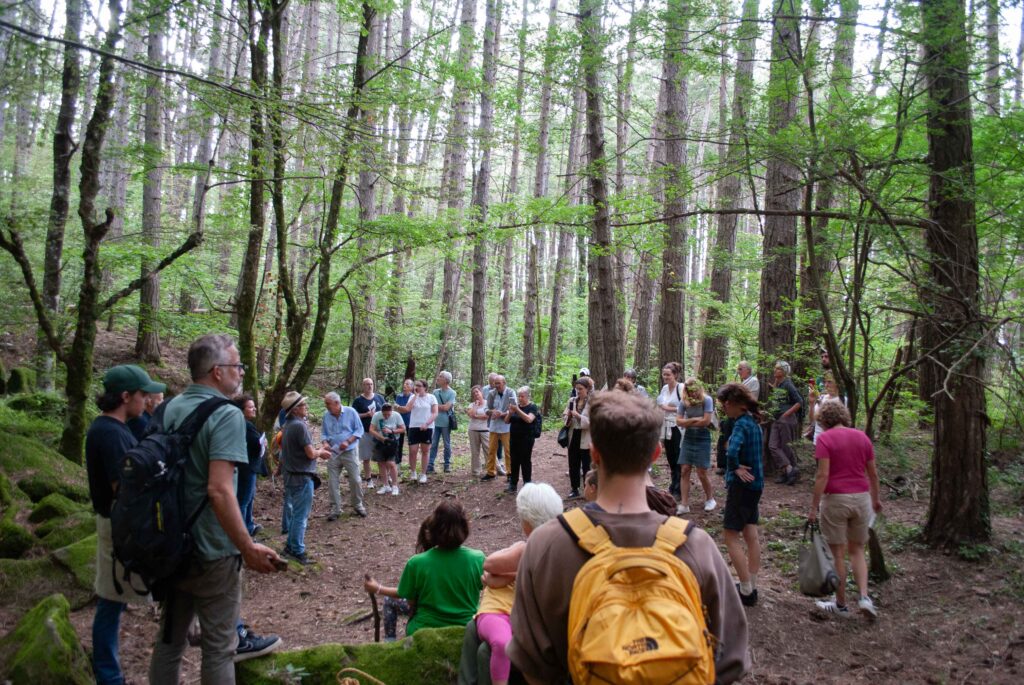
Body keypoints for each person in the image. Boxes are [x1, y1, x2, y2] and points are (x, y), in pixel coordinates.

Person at [507, 391, 750, 684]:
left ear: (594, 452)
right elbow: (730, 662)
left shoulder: (547, 545)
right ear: (655, 453)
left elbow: (531, 666)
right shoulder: (697, 547)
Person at [149, 334, 282, 685]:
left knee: (169, 643)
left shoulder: (168, 408)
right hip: (212, 549)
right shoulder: (226, 415)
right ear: (216, 372)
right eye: (237, 366)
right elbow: (220, 490)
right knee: (220, 647)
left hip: (169, 544)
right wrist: (246, 546)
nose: (241, 372)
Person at [87, 365, 164, 685]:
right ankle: (109, 676)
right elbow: (125, 488)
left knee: (113, 600)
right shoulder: (110, 433)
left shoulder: (116, 429)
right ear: (125, 396)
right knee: (110, 599)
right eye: (143, 394)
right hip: (117, 526)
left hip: (118, 524)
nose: (147, 400)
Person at [473, 483, 564, 685]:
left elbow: (489, 567)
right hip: (547, 629)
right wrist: (516, 574)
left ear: (527, 521)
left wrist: (510, 575)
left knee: (484, 649)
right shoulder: (560, 538)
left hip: (545, 635)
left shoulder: (531, 546)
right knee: (480, 632)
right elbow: (491, 577)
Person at [364, 501, 485, 638]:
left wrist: (377, 588)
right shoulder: (478, 559)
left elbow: (408, 598)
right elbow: (489, 588)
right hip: (466, 629)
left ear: (433, 527)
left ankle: (390, 643)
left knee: (389, 601)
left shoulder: (417, 563)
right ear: (465, 528)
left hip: (424, 631)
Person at [808, 402, 882, 619]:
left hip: (836, 500)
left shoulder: (825, 439)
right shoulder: (862, 437)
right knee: (857, 550)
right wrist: (875, 500)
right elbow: (873, 474)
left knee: (837, 553)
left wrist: (814, 506)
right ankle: (864, 597)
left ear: (823, 420)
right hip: (862, 499)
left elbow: (822, 475)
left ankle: (840, 604)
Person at [717, 383, 765, 607]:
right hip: (755, 486)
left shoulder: (741, 425)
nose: (724, 409)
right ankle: (751, 585)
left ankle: (745, 588)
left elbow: (732, 450)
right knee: (750, 533)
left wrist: (734, 466)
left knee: (730, 535)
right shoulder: (754, 423)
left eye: (726, 405)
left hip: (741, 486)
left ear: (733, 404)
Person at [280, 391, 333, 563]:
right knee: (301, 516)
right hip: (301, 477)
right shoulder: (299, 426)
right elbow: (310, 453)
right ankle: (297, 550)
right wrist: (321, 452)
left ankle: (290, 546)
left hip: (292, 475)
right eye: (303, 405)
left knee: (296, 514)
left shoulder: (287, 424)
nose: (306, 407)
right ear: (295, 409)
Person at [320, 391, 366, 521]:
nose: (326, 406)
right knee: (332, 481)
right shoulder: (326, 415)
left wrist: (348, 441)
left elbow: (359, 430)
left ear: (337, 403)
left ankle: (358, 505)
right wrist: (324, 443)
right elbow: (323, 433)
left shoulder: (351, 412)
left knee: (355, 479)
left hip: (349, 451)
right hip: (333, 453)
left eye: (328, 403)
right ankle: (335, 508)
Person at [676, 378, 717, 514]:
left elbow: (706, 421)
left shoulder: (707, 400)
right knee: (685, 469)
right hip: (688, 437)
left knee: (701, 472)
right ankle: (684, 504)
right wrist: (695, 419)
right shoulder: (684, 402)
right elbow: (678, 422)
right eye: (688, 390)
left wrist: (687, 422)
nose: (691, 393)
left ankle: (710, 499)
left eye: (693, 390)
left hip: (703, 437)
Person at [232, 395, 265, 536]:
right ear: (242, 410)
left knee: (249, 498)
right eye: (250, 407)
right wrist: (262, 443)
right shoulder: (244, 425)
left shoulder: (244, 424)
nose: (254, 409)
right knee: (244, 500)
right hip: (246, 467)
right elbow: (255, 444)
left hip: (248, 466)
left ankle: (249, 525)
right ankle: (242, 532)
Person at [767, 361, 803, 485]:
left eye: (777, 369)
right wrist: (774, 388)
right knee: (773, 445)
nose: (774, 370)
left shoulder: (788, 384)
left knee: (785, 447)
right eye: (775, 368)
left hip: (786, 420)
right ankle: (790, 470)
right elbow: (780, 399)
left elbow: (799, 402)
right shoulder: (779, 384)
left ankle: (787, 474)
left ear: (783, 371)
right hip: (777, 419)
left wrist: (786, 414)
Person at [400, 379, 438, 483]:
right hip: (413, 426)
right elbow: (407, 409)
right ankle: (413, 472)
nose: (417, 387)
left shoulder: (431, 398)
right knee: (413, 451)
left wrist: (427, 424)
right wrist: (415, 396)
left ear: (425, 387)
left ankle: (423, 473)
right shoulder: (412, 397)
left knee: (425, 451)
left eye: (419, 386)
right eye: (416, 385)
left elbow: (435, 413)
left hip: (427, 427)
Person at [656, 361, 684, 498]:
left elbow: (687, 406)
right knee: (670, 456)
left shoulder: (681, 388)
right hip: (666, 426)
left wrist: (669, 408)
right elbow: (660, 404)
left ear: (676, 375)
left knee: (678, 456)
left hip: (678, 426)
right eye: (664, 374)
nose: (665, 377)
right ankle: (673, 484)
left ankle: (679, 487)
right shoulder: (664, 389)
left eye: (668, 374)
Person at [561, 377, 592, 499]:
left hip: (586, 437)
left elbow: (593, 422)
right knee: (573, 464)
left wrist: (578, 416)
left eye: (581, 389)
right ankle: (574, 489)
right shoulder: (572, 401)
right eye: (576, 388)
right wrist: (568, 417)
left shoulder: (592, 403)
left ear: (587, 389)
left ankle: (588, 489)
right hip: (573, 436)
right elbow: (565, 420)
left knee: (586, 465)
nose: (578, 391)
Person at [352, 378, 385, 486]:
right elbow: (354, 415)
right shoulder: (358, 400)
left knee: (381, 457)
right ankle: (368, 479)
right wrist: (366, 415)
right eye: (367, 384)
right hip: (365, 431)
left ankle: (384, 478)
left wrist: (378, 415)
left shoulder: (379, 398)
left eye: (371, 384)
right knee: (366, 457)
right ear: (363, 386)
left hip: (379, 431)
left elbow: (387, 412)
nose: (370, 386)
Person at [505, 386, 539, 494]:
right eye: (519, 396)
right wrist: (510, 412)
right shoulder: (515, 407)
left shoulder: (532, 407)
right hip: (514, 438)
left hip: (527, 438)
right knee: (514, 461)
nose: (520, 398)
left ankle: (527, 484)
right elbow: (506, 421)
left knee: (525, 461)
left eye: (522, 396)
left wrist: (517, 410)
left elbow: (529, 419)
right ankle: (513, 484)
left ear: (528, 396)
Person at [483, 375, 515, 482]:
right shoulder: (491, 394)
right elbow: (486, 409)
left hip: (507, 426)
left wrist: (502, 414)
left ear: (504, 383)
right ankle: (491, 472)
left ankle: (510, 473)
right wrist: (492, 412)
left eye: (498, 383)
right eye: (495, 383)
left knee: (508, 451)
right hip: (494, 426)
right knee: (491, 450)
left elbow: (514, 408)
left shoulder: (510, 392)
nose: (496, 385)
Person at [370, 403, 406, 495]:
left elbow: (403, 429)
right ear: (381, 412)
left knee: (391, 463)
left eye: (388, 414)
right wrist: (381, 438)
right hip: (380, 442)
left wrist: (392, 431)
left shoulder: (396, 415)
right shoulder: (377, 415)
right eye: (384, 414)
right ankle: (385, 485)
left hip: (392, 442)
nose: (386, 416)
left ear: (391, 412)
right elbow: (371, 429)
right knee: (381, 463)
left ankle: (395, 486)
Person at [428, 371, 457, 474]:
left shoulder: (452, 393)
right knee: (433, 443)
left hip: (446, 422)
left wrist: (437, 406)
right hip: (435, 422)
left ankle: (447, 465)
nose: (438, 378)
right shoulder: (435, 392)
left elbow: (446, 408)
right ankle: (430, 465)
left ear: (446, 380)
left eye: (440, 377)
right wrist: (439, 407)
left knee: (447, 444)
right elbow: (431, 406)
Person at [808, 372, 844, 444]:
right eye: (825, 382)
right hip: (818, 440)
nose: (826, 385)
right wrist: (812, 403)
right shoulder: (822, 397)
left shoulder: (843, 400)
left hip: (834, 442)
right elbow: (812, 420)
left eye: (829, 382)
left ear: (837, 383)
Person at [466, 385, 490, 477]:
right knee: (475, 452)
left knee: (488, 450)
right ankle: (476, 471)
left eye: (477, 392)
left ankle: (491, 470)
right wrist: (475, 406)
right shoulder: (471, 405)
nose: (476, 394)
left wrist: (476, 416)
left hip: (485, 430)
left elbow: (487, 416)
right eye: (474, 393)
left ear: (481, 392)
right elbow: (471, 414)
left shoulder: (488, 403)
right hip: (473, 430)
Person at [393, 379, 414, 471]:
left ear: (412, 387)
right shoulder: (399, 396)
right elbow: (397, 409)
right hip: (399, 423)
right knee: (399, 444)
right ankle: (398, 463)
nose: (405, 385)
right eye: (404, 384)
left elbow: (407, 409)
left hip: (411, 423)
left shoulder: (413, 397)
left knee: (411, 444)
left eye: (408, 384)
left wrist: (400, 408)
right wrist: (401, 408)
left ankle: (411, 463)